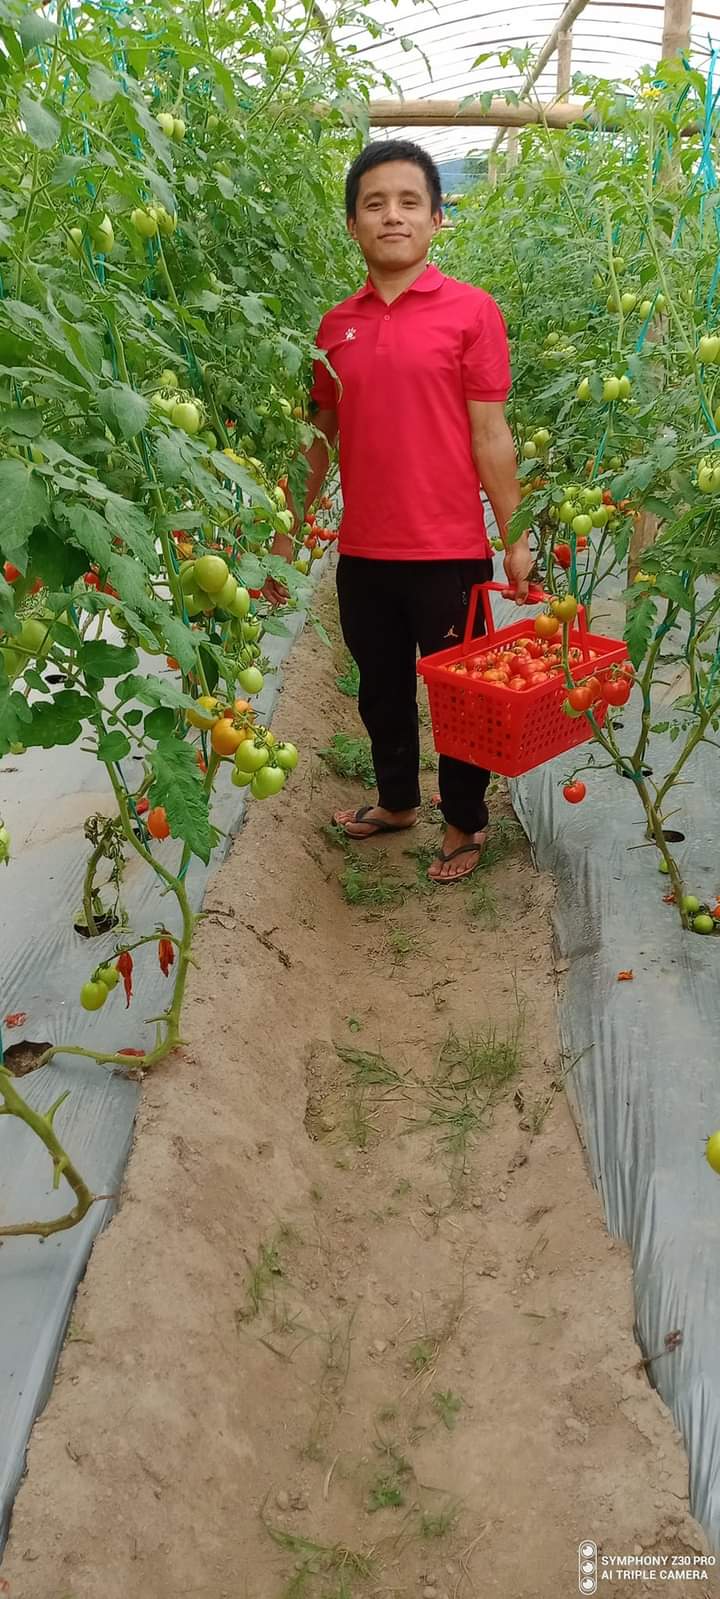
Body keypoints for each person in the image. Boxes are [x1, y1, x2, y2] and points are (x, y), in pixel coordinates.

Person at [265, 139, 534, 882]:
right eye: (374, 203)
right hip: (363, 552)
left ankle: (464, 821)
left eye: (409, 202)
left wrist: (515, 534)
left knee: (461, 701)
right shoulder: (333, 326)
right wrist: (286, 534)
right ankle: (396, 802)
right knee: (379, 689)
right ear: (352, 224)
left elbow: (491, 433)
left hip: (449, 552)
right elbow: (317, 439)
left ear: (438, 219)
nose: (392, 216)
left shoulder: (472, 313)